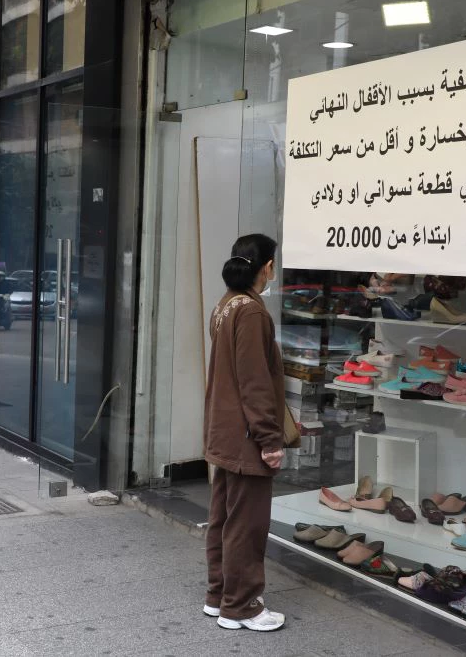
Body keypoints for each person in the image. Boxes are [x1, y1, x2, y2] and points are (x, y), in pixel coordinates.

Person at [203, 233, 286, 632]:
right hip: (247, 434)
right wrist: (270, 439)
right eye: (274, 264)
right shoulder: (252, 312)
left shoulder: (226, 305)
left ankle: (219, 595)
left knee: (224, 517)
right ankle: (242, 607)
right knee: (247, 524)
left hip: (224, 430)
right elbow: (254, 381)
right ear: (266, 267)